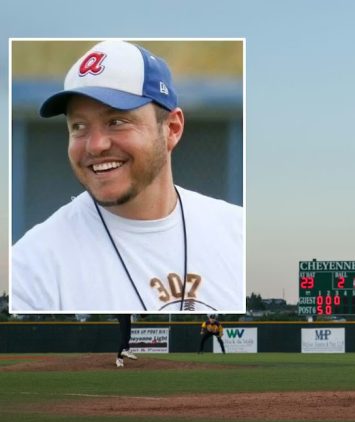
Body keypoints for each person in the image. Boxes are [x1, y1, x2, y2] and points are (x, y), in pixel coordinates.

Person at [11, 40, 243, 312]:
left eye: (116, 122)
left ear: (172, 129)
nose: (95, 145)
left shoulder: (238, 233)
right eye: (79, 126)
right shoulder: (30, 267)